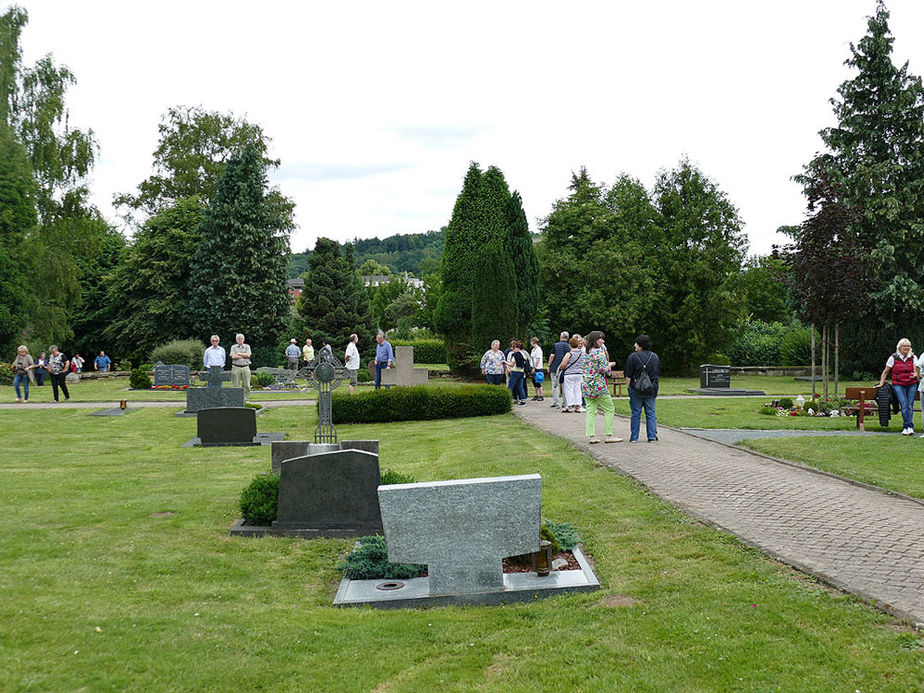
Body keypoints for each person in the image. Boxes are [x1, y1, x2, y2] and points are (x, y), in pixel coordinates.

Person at [582, 331, 622, 443]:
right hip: (598, 385)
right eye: (601, 339)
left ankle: (591, 436)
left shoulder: (586, 353)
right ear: (595, 340)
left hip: (587, 385)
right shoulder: (599, 353)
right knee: (609, 408)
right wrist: (610, 365)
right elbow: (604, 370)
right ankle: (609, 435)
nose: (602, 341)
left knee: (590, 410)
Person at [877, 338, 918, 435]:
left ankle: (909, 427)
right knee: (904, 404)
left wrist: (916, 374)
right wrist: (881, 383)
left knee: (910, 405)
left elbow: (917, 369)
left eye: (908, 346)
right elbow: (886, 371)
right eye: (904, 346)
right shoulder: (893, 358)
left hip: (911, 384)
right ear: (899, 347)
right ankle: (907, 426)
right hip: (898, 384)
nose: (906, 348)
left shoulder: (913, 357)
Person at [625, 334, 660, 442]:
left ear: (640, 345)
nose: (634, 345)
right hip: (651, 388)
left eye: (636, 343)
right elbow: (656, 373)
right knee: (651, 412)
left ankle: (634, 437)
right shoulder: (654, 357)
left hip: (636, 388)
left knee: (636, 413)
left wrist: (628, 388)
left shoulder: (633, 357)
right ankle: (652, 436)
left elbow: (628, 375)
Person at [558, 335, 585, 413]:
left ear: (569, 345)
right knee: (578, 390)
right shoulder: (582, 354)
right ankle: (578, 406)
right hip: (579, 373)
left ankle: (569, 406)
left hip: (569, 374)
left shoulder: (569, 354)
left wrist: (563, 367)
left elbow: (563, 364)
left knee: (569, 390)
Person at [547, 331, 570, 408]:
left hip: (555, 367)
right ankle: (565, 402)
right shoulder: (569, 346)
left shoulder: (556, 345)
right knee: (564, 385)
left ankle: (556, 402)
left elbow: (552, 356)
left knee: (555, 385)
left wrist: (549, 365)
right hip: (566, 368)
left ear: (561, 337)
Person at [505, 340, 529, 405]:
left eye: (514, 347)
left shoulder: (515, 355)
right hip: (521, 372)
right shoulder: (523, 355)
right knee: (520, 386)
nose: (513, 349)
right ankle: (523, 400)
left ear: (517, 347)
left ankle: (507, 399)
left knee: (510, 386)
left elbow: (512, 364)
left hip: (515, 372)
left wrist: (504, 362)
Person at [229, 333, 252, 400]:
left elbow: (248, 355)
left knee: (247, 385)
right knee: (235, 385)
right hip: (236, 367)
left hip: (246, 366)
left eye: (241, 339)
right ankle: (236, 399)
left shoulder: (247, 346)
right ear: (236, 340)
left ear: (243, 339)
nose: (240, 340)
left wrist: (238, 353)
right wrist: (244, 355)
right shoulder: (233, 347)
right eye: (238, 339)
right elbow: (233, 356)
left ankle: (246, 399)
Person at [529, 337, 545, 401]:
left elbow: (538, 359)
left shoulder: (538, 349)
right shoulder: (533, 350)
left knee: (538, 381)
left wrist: (534, 367)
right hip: (532, 366)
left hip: (537, 367)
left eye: (531, 342)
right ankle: (536, 394)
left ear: (534, 342)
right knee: (534, 381)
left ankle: (541, 395)